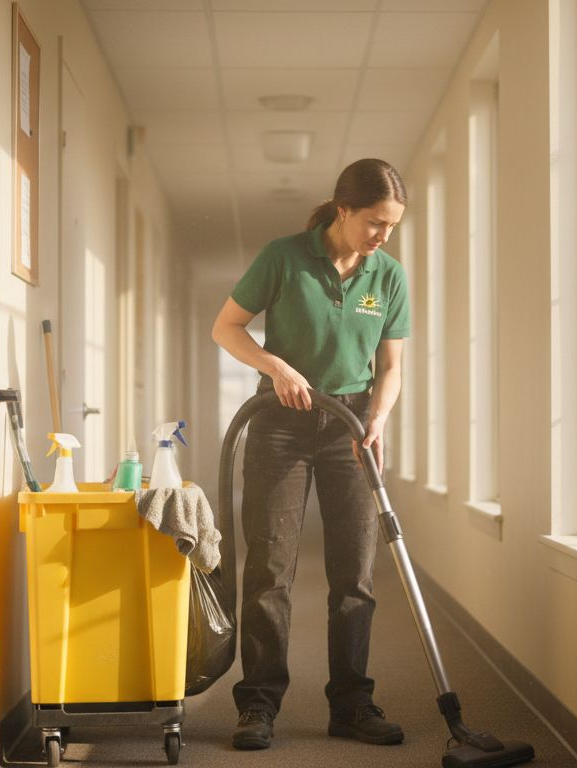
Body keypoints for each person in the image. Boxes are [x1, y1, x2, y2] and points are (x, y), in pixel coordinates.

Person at [210, 158, 410, 751]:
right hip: (280, 423)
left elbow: (391, 367)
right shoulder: (284, 257)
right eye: (375, 222)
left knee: (356, 574)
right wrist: (275, 367)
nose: (383, 236)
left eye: (392, 226)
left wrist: (377, 418)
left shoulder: (388, 276)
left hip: (352, 426)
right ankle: (258, 704)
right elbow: (226, 327)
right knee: (270, 570)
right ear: (343, 210)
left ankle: (352, 704)